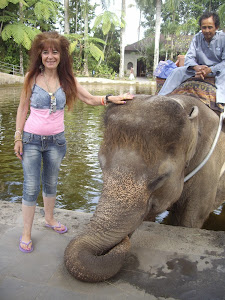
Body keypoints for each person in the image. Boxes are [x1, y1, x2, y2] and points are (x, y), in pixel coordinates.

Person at [14, 31, 133, 253]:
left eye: (55, 52)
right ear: (40, 54)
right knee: (31, 187)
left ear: (61, 55)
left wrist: (110, 99)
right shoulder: (31, 77)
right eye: (46, 52)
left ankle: (49, 219)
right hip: (30, 140)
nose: (50, 56)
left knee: (51, 183)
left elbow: (89, 99)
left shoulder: (67, 79)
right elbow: (22, 108)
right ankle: (26, 232)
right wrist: (18, 137)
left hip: (56, 142)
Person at [158, 11, 225, 105]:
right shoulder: (197, 37)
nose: (206, 30)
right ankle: (160, 98)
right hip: (198, 69)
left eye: (210, 27)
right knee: (177, 71)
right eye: (204, 27)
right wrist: (197, 67)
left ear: (216, 27)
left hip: (217, 70)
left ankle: (222, 104)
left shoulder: (223, 38)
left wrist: (210, 70)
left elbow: (224, 62)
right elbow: (189, 57)